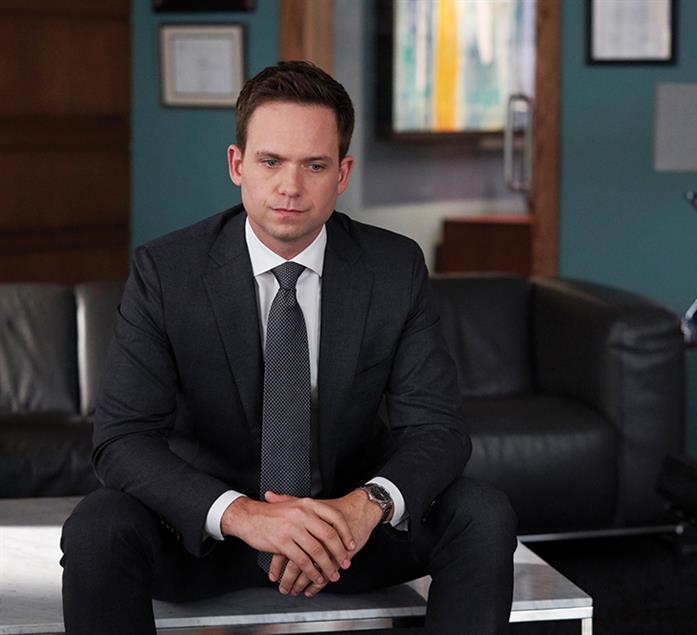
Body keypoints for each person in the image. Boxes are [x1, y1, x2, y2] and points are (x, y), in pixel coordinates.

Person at [60, 61, 517, 635]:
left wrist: (364, 507)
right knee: (97, 527)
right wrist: (246, 516)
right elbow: (121, 439)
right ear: (237, 164)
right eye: (271, 161)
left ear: (342, 173)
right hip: (211, 538)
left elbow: (438, 429)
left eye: (315, 165)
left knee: (481, 513)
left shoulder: (393, 268)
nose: (290, 187)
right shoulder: (167, 272)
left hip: (346, 536)